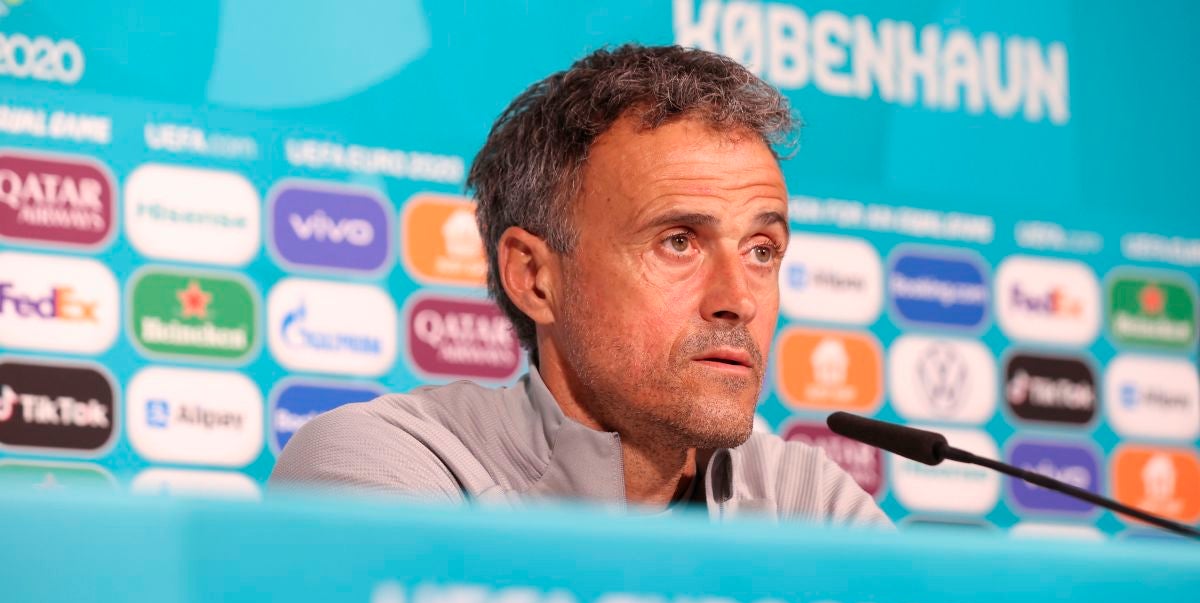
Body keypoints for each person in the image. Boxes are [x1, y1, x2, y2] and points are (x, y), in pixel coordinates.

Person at [271, 44, 890, 527]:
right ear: (534, 277)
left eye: (761, 250)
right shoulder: (388, 464)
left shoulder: (807, 501)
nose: (739, 300)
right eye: (678, 241)